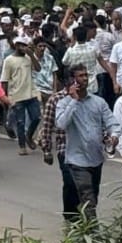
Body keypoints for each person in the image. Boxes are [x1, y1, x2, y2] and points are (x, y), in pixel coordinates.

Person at [54, 65, 122, 220]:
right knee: (87, 196)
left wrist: (114, 135)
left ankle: (82, 224)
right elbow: (61, 124)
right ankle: (92, 232)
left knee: (93, 196)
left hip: (96, 159)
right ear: (73, 80)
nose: (85, 79)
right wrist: (74, 101)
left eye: (86, 75)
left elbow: (111, 122)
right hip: (77, 160)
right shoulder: (64, 103)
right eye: (80, 76)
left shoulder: (98, 102)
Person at [38, 67, 81, 221]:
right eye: (73, 79)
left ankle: (82, 213)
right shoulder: (55, 100)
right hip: (65, 149)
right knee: (70, 182)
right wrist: (47, 151)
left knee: (84, 185)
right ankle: (70, 216)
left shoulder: (87, 98)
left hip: (84, 150)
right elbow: (47, 126)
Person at [2, 36, 42, 155]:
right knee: (21, 121)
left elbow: (38, 69)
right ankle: (22, 145)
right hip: (16, 94)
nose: (23, 48)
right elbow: (4, 79)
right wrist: (3, 96)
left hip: (31, 92)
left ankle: (29, 136)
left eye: (25, 45)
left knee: (36, 117)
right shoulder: (9, 60)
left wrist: (31, 55)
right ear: (16, 45)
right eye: (20, 45)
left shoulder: (29, 58)